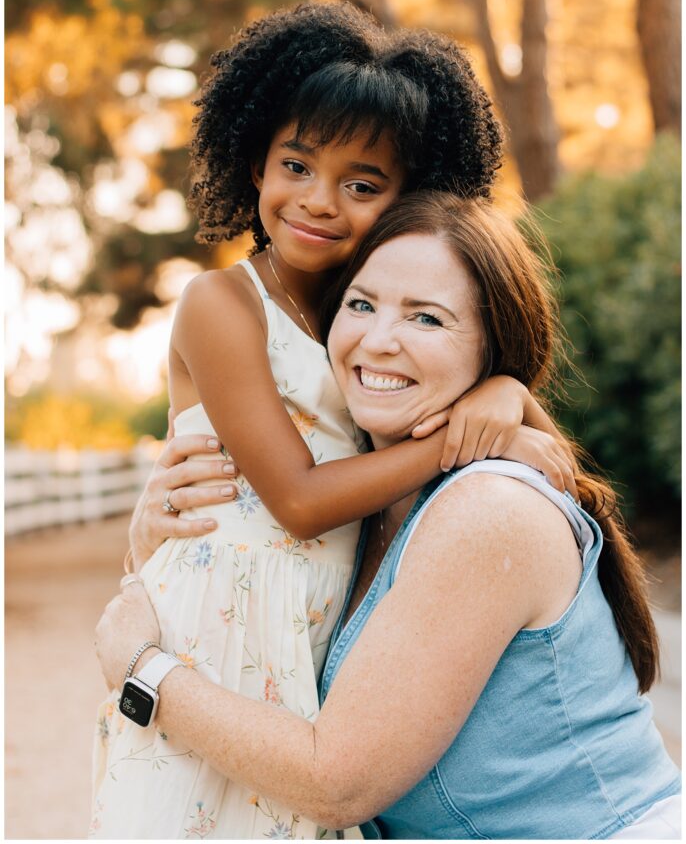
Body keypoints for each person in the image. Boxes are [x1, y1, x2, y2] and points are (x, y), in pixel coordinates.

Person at [90, 3, 573, 840]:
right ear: (253, 161)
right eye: (297, 165)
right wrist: (461, 429)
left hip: (309, 635)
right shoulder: (221, 305)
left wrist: (506, 396)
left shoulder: (374, 323)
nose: (319, 202)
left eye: (362, 184)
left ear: (405, 199)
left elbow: (556, 466)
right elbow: (301, 500)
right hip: (214, 633)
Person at [96, 192, 681, 840]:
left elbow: (337, 782)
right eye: (362, 304)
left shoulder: (488, 510)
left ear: (493, 345)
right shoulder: (360, 509)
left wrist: (142, 670)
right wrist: (150, 541)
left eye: (426, 319)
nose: (379, 340)